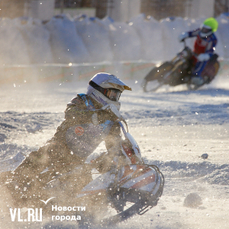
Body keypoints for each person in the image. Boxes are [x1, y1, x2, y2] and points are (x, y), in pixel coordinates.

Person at [2, 72, 132, 208]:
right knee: (41, 156)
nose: (115, 98)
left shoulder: (112, 121)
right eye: (112, 94)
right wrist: (96, 115)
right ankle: (14, 182)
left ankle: (83, 214)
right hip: (59, 146)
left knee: (86, 193)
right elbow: (70, 114)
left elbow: (114, 145)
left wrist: (122, 157)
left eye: (117, 95)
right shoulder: (83, 100)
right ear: (99, 90)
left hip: (78, 160)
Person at [178, 17, 218, 86]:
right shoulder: (199, 31)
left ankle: (196, 76)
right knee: (184, 57)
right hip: (194, 52)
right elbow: (192, 33)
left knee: (202, 62)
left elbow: (211, 51)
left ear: (210, 31)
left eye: (206, 29)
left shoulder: (212, 39)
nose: (203, 30)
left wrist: (206, 55)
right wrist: (185, 35)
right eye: (203, 28)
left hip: (202, 56)